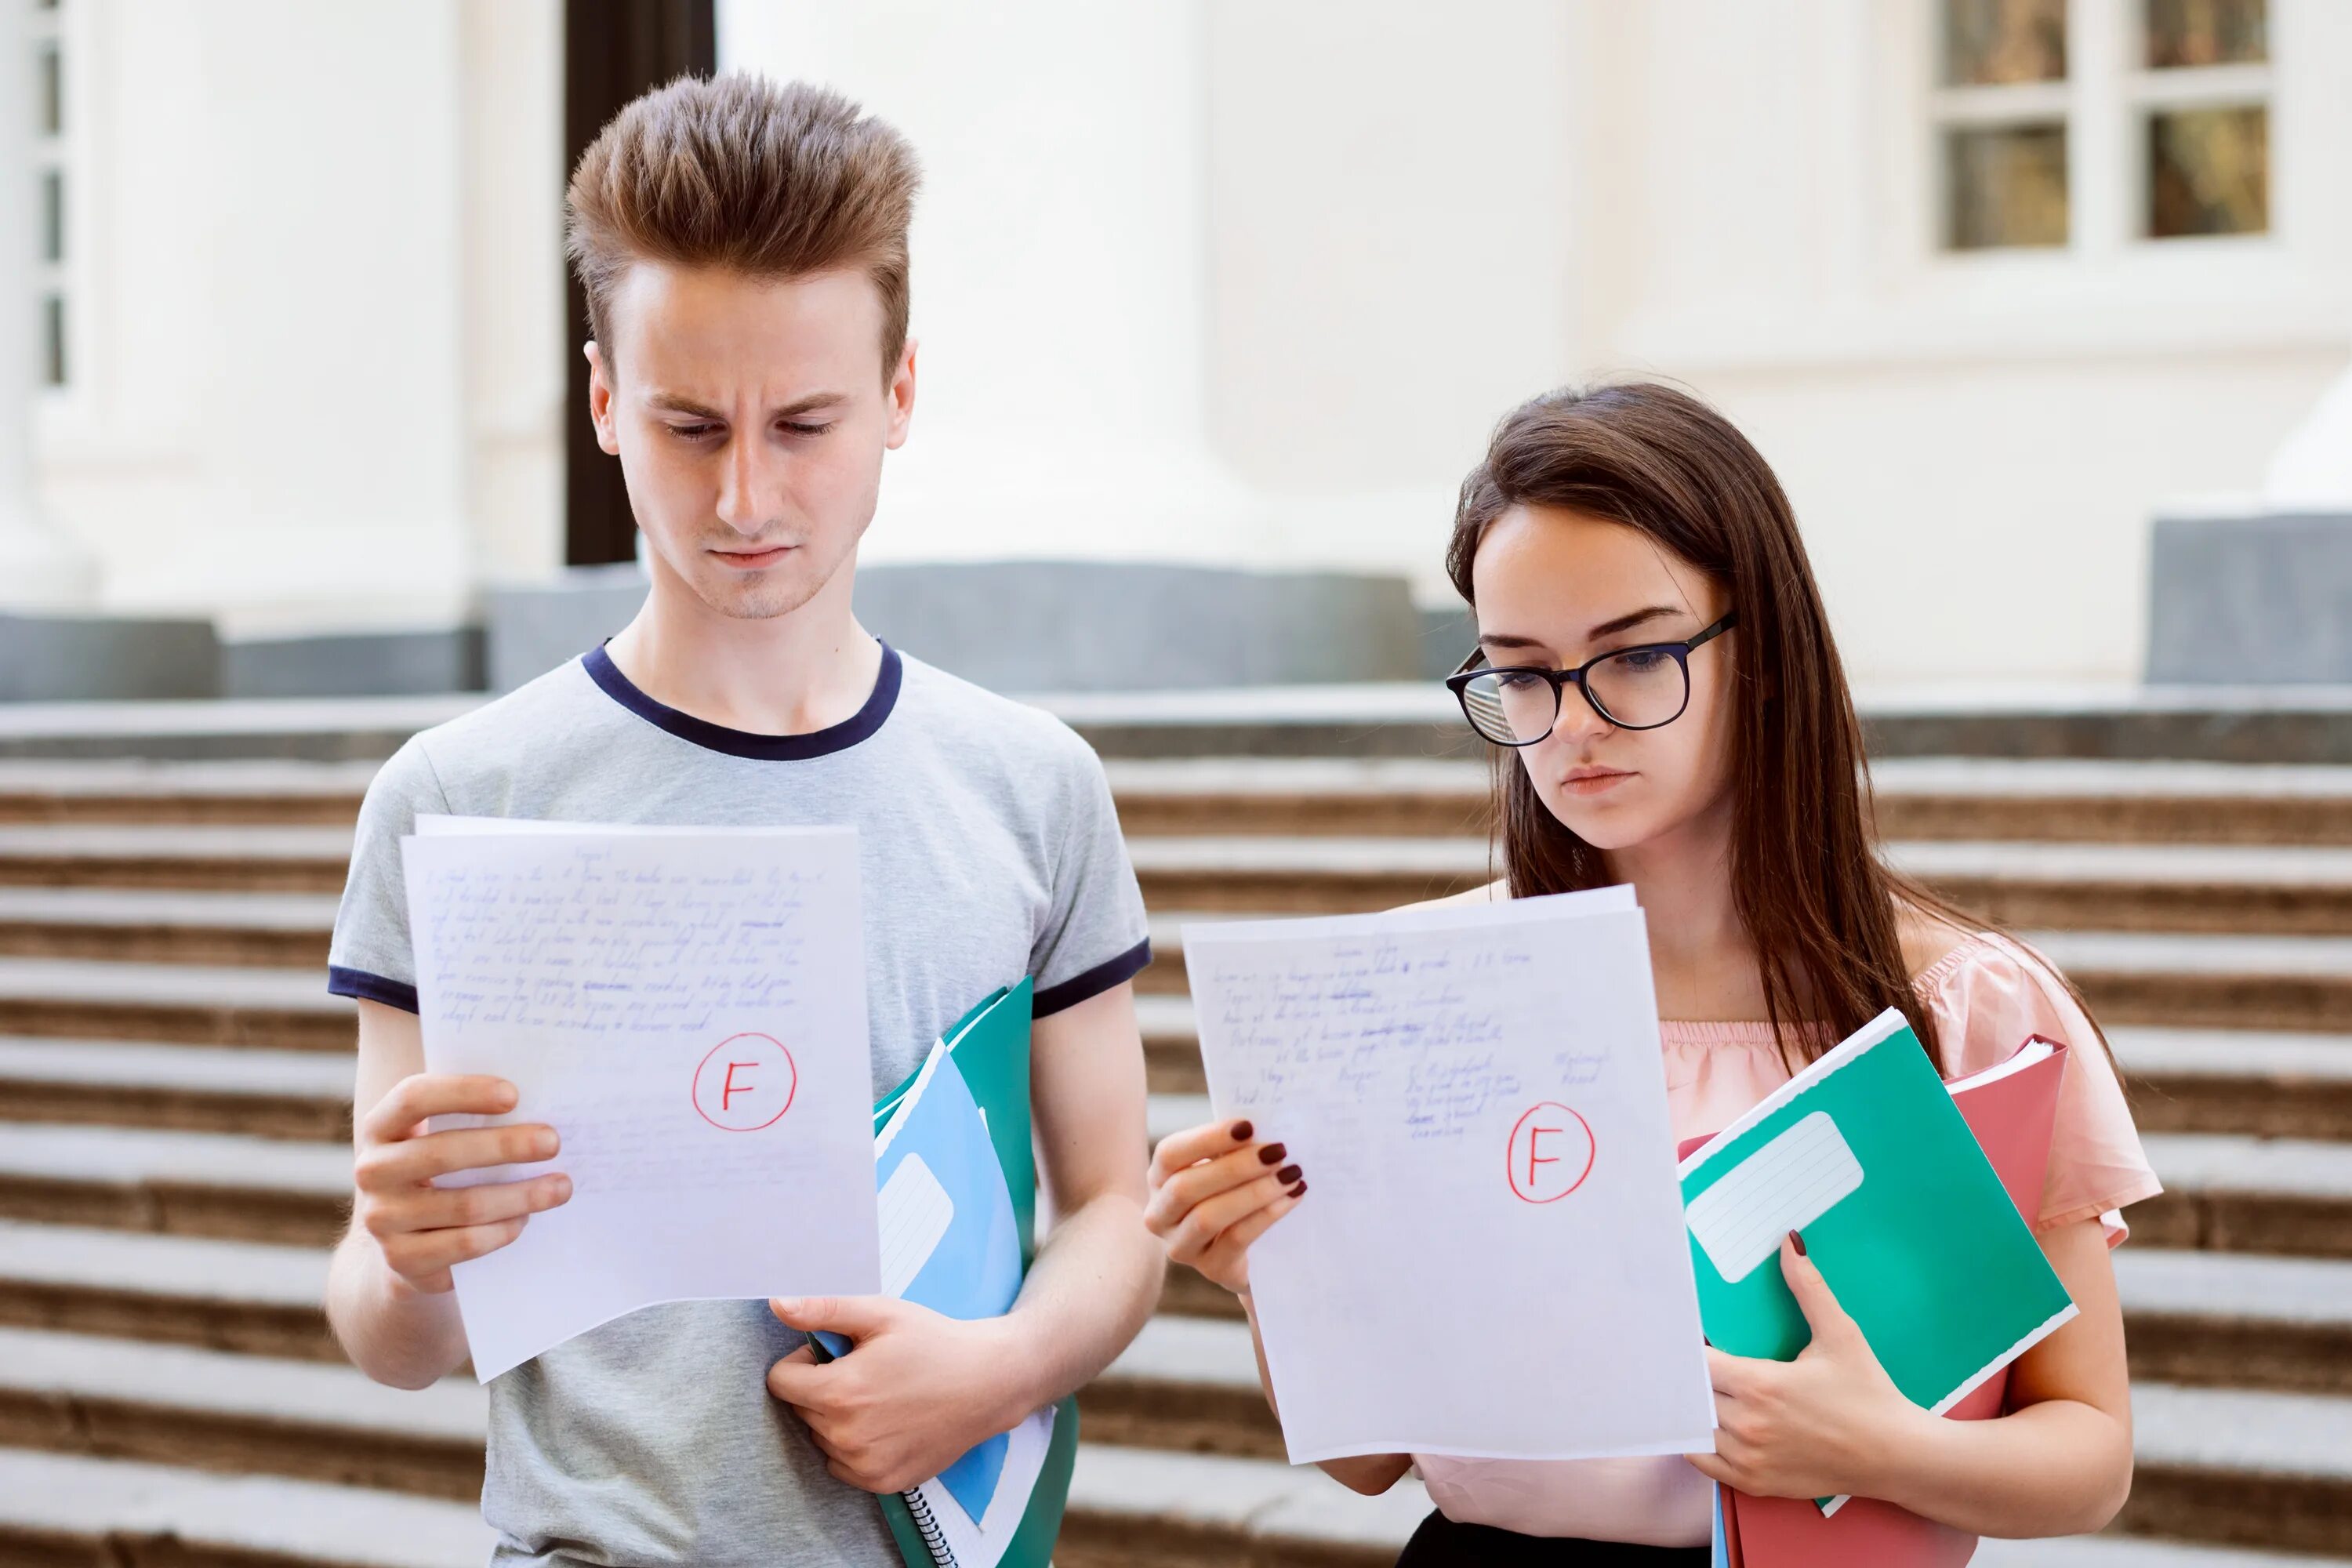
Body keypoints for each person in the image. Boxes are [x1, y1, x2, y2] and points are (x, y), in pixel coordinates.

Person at [324, 74, 1163, 1566]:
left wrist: (1003, 1369)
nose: (747, 493)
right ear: (602, 403)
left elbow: (1116, 1205)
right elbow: (395, 1342)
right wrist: (407, 1260)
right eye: (691, 424)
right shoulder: (460, 800)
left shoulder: (1032, 787)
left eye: (808, 421)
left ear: (902, 395)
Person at [1145, 382, 2161, 1566]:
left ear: (1763, 652)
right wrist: (1271, 1269)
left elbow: (2089, 1455)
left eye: (1632, 659)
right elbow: (1371, 1462)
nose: (1570, 724)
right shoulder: (1423, 993)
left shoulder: (1967, 1006)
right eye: (1520, 673)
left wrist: (1877, 1447)